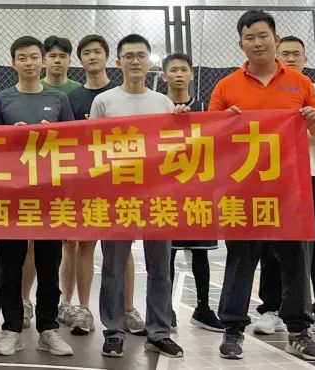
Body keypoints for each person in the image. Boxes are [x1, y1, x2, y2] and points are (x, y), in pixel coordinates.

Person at [208, 11, 315, 362]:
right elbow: (210, 137)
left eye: (263, 36)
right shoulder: (227, 86)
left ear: (275, 39)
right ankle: (232, 329)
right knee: (241, 258)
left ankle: (299, 332)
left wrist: (314, 121)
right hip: (243, 189)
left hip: (291, 188)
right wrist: (224, 123)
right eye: (249, 37)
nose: (257, 43)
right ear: (240, 43)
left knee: (296, 259)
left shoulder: (300, 83)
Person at [91, 35, 184, 360]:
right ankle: (114, 332)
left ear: (149, 62)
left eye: (140, 56)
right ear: (118, 62)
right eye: (128, 56)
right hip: (117, 196)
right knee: (114, 267)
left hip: (157, 196)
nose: (134, 61)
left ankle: (159, 332)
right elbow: (91, 148)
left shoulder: (163, 103)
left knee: (160, 266)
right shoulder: (104, 101)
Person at [254, 37, 315, 340]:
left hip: (311, 174)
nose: (291, 58)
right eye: (286, 54)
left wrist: (305, 123)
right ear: (276, 57)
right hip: (273, 176)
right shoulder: (265, 89)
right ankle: (271, 309)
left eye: (297, 54)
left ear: (306, 59)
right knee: (272, 245)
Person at [0, 36, 74, 358]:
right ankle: (11, 329)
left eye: (34, 57)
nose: (28, 63)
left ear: (43, 61)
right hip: (12, 196)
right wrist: (12, 138)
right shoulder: (1, 100)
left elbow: (74, 145)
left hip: (50, 196)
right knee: (10, 265)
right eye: (22, 58)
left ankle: (48, 329)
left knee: (49, 265)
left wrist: (52, 136)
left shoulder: (58, 99)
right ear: (13, 62)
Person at [59, 35, 115, 337]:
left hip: (112, 183)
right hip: (77, 182)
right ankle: (66, 304)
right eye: (87, 53)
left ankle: (101, 308)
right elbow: (66, 143)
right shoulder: (72, 98)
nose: (92, 57)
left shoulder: (117, 95)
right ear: (79, 60)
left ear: (107, 56)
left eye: (97, 52)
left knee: (105, 246)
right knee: (70, 243)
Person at [163, 53, 222, 333]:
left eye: (183, 69)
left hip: (198, 190)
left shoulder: (205, 108)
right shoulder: (157, 107)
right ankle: (166, 308)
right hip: (166, 191)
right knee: (167, 254)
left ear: (191, 75)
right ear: (164, 75)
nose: (178, 74)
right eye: (173, 70)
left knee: (201, 253)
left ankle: (203, 308)